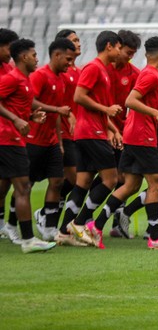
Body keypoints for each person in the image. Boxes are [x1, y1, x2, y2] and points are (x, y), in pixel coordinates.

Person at [88, 37, 158, 249]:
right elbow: (130, 100)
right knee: (156, 184)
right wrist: (157, 112)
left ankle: (96, 224)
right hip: (143, 137)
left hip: (134, 134)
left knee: (130, 185)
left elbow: (142, 104)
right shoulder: (150, 74)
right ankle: (155, 237)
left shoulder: (150, 74)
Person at [59, 30, 123, 246]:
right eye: (119, 47)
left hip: (91, 131)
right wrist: (106, 110)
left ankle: (63, 231)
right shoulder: (94, 68)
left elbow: (99, 109)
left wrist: (112, 129)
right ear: (109, 46)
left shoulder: (102, 70)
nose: (120, 52)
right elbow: (79, 97)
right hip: (90, 133)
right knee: (111, 179)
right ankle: (78, 223)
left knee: (84, 182)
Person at [117, 43, 158, 238]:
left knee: (150, 183)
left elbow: (157, 110)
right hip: (151, 134)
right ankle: (152, 229)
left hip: (149, 133)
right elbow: (142, 107)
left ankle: (147, 224)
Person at [0, 38, 53, 252]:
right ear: (23, 57)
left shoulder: (24, 79)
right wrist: (15, 119)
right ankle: (29, 240)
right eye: (34, 55)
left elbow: (16, 107)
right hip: (8, 139)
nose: (36, 58)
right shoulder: (12, 78)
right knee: (23, 187)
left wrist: (31, 116)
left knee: (3, 187)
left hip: (12, 138)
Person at [28, 38, 76, 241]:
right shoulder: (40, 75)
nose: (70, 63)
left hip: (52, 141)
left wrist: (60, 141)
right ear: (56, 55)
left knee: (57, 182)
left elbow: (57, 116)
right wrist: (56, 109)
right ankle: (10, 224)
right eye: (67, 58)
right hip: (33, 139)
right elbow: (29, 101)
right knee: (25, 185)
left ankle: (48, 226)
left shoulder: (61, 79)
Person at [107, 30, 141, 236]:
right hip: (98, 131)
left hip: (122, 133)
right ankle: (78, 220)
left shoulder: (134, 74)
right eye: (127, 52)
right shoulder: (100, 70)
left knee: (122, 179)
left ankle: (116, 224)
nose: (129, 57)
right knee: (84, 178)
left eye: (132, 53)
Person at [55, 29, 83, 226]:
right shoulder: (60, 74)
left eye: (78, 39)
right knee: (74, 179)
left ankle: (53, 218)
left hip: (77, 133)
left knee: (74, 180)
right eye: (74, 40)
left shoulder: (79, 72)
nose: (78, 43)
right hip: (61, 131)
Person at [0, 28, 19, 239]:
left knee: (6, 181)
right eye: (9, 48)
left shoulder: (9, 68)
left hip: (8, 133)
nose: (12, 53)